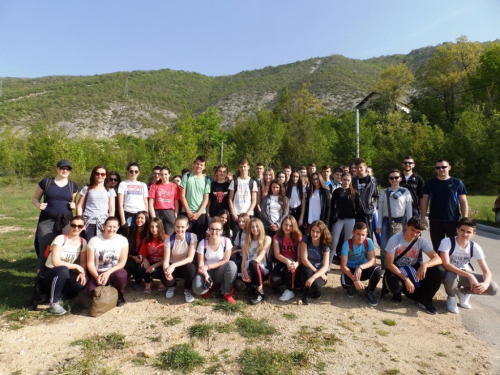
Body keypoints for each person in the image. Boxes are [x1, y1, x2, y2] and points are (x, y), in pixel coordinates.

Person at [384, 217, 444, 315]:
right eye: (412, 230)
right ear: (406, 226)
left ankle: (426, 299)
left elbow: (438, 258)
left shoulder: (421, 241)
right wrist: (406, 279)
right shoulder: (395, 239)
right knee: (396, 286)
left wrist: (425, 264)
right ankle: (397, 293)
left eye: (418, 232)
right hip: (397, 268)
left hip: (412, 268)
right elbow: (389, 264)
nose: (414, 234)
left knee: (440, 270)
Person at [439, 218, 498, 313]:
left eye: (469, 232)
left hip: (464, 273)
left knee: (493, 288)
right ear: (457, 230)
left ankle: (464, 292)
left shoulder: (475, 246)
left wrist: (485, 284)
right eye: (462, 230)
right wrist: (469, 275)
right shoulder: (447, 242)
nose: (465, 234)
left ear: (473, 234)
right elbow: (446, 264)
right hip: (449, 273)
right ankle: (451, 297)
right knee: (450, 276)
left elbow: (486, 271)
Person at [32, 159, 78, 271]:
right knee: (45, 250)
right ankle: (41, 280)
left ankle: (62, 276)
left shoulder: (73, 186)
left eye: (68, 169)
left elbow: (73, 201)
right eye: (62, 168)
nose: (65, 170)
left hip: (66, 222)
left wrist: (74, 205)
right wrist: (38, 205)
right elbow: (35, 198)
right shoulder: (46, 182)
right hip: (46, 221)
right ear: (57, 169)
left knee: (65, 250)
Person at [36, 215, 88, 315]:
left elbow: (83, 262)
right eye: (73, 225)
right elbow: (56, 262)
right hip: (49, 272)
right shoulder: (60, 239)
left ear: (84, 227)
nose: (76, 228)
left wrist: (82, 272)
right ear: (69, 225)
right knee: (62, 269)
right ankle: (53, 304)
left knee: (80, 282)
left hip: (64, 274)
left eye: (80, 226)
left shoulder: (83, 242)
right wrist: (77, 267)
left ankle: (60, 295)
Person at [420, 159, 468, 250]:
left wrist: (465, 218)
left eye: (444, 167)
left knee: (455, 247)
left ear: (449, 167)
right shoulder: (430, 183)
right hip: (435, 220)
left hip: (453, 220)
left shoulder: (457, 183)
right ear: (435, 169)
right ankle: (439, 264)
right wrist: (423, 217)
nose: (441, 169)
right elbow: (424, 201)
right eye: (438, 167)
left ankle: (452, 264)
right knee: (438, 248)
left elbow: (463, 201)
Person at [192, 217, 237, 303]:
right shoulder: (203, 243)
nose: (214, 231)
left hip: (220, 271)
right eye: (212, 229)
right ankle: (208, 286)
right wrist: (206, 276)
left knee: (232, 265)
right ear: (209, 230)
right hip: (206, 272)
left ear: (221, 231)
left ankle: (227, 293)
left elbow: (225, 260)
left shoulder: (226, 241)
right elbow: (201, 264)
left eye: (217, 229)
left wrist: (208, 266)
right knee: (197, 290)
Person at [87, 216, 129, 307]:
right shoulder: (94, 240)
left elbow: (122, 262)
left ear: (118, 227)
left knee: (121, 275)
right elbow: (90, 263)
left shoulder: (122, 240)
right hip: (99, 272)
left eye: (114, 227)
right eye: (109, 226)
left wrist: (108, 273)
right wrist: (96, 276)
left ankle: (119, 293)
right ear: (104, 226)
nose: (111, 229)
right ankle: (107, 290)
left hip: (114, 270)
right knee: (91, 293)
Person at [376, 169, 413, 269]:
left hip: (401, 221)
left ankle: (397, 266)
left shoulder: (405, 192)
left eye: (396, 177)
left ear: (400, 178)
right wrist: (378, 225)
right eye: (391, 178)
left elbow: (409, 209)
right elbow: (380, 210)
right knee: (384, 246)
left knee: (400, 246)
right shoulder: (385, 192)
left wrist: (410, 225)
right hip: (386, 221)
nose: (394, 180)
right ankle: (385, 267)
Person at [340, 222, 381, 306]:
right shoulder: (347, 244)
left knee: (377, 271)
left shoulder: (368, 242)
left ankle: (369, 291)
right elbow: (343, 266)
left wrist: (360, 267)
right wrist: (355, 279)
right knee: (346, 285)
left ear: (366, 234)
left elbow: (373, 260)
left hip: (362, 269)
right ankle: (352, 286)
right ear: (353, 233)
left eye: (363, 234)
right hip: (350, 270)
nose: (361, 237)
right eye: (358, 234)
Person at [163, 216, 198, 303]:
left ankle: (187, 289)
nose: (179, 229)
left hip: (184, 265)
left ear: (187, 227)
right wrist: (167, 272)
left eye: (182, 227)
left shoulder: (192, 237)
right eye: (177, 227)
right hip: (172, 265)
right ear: (174, 226)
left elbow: (190, 258)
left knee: (191, 268)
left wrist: (173, 265)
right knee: (166, 280)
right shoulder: (169, 240)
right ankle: (172, 286)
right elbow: (166, 261)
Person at [76, 165, 116, 242]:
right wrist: (79, 221)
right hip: (88, 222)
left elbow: (111, 209)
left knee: (101, 248)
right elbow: (79, 206)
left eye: (102, 174)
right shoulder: (87, 188)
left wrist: (109, 224)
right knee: (88, 245)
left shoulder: (110, 190)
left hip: (103, 223)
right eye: (97, 173)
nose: (100, 176)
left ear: (106, 176)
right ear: (94, 175)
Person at [330, 172, 359, 266]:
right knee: (334, 241)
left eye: (348, 180)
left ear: (351, 181)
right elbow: (332, 205)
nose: (346, 182)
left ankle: (346, 264)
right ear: (341, 180)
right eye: (344, 180)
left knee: (348, 241)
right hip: (339, 219)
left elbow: (358, 206)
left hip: (350, 219)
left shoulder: (354, 192)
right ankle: (328, 264)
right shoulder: (337, 191)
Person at [271, 215, 302, 302]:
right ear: (282, 225)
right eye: (286, 224)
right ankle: (288, 284)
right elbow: (277, 254)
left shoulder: (298, 238)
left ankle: (290, 289)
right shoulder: (277, 237)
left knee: (291, 264)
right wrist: (287, 261)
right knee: (274, 281)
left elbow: (300, 258)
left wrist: (296, 264)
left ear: (294, 227)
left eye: (291, 225)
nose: (288, 227)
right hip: (282, 262)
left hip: (294, 265)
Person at [179, 156, 211, 240]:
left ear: (204, 167)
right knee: (185, 237)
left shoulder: (207, 180)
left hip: (200, 214)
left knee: (199, 238)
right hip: (186, 212)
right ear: (194, 164)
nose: (199, 166)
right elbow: (182, 195)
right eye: (197, 164)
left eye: (201, 165)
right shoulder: (186, 177)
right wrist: (188, 211)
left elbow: (206, 198)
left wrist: (198, 213)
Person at [299, 220, 331, 305]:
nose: (314, 234)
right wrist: (315, 272)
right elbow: (304, 260)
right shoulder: (306, 239)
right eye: (313, 231)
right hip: (309, 267)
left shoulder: (325, 245)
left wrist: (314, 276)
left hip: (320, 271)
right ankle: (305, 295)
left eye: (318, 232)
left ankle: (316, 291)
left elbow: (325, 266)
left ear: (322, 233)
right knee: (306, 270)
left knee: (316, 285)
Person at [242, 218, 272, 305]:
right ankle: (253, 286)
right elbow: (244, 260)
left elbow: (261, 256)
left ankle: (260, 292)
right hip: (248, 271)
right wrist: (243, 272)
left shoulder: (267, 239)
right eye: (252, 227)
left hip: (261, 268)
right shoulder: (245, 242)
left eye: (257, 226)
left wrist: (245, 268)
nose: (255, 229)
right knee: (239, 285)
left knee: (253, 263)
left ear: (261, 227)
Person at [137, 217, 168, 293]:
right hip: (151, 262)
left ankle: (162, 281)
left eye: (157, 226)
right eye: (152, 226)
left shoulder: (167, 238)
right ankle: (148, 282)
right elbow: (143, 254)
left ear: (160, 227)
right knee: (140, 268)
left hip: (162, 264)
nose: (154, 229)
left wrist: (154, 266)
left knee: (160, 271)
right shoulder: (146, 239)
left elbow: (168, 258)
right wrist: (145, 260)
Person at [351, 158, 379, 240]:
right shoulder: (353, 181)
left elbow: (377, 196)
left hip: (367, 211)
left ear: (365, 167)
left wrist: (372, 206)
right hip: (356, 212)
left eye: (360, 167)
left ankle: (369, 252)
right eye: (357, 168)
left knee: (368, 234)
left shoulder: (372, 180)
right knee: (356, 234)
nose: (359, 170)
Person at [117, 162, 148, 232]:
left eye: (136, 171)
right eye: (131, 171)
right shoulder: (123, 184)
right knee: (129, 235)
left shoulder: (143, 185)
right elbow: (120, 204)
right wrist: (123, 221)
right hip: (129, 212)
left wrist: (147, 216)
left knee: (141, 235)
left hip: (141, 213)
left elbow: (146, 202)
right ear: (128, 172)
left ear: (138, 173)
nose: (133, 173)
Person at [148, 166, 179, 236]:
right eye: (161, 174)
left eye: (166, 174)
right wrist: (153, 217)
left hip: (169, 212)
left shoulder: (174, 186)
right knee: (157, 234)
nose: (164, 176)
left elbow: (176, 202)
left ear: (169, 174)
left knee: (169, 235)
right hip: (158, 212)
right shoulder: (154, 186)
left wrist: (175, 215)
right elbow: (150, 204)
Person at [228, 158, 258, 227]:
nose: (243, 168)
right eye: (241, 167)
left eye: (244, 166)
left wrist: (247, 214)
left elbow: (254, 200)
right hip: (236, 213)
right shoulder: (234, 181)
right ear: (238, 168)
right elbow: (230, 199)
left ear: (248, 167)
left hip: (248, 214)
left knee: (248, 235)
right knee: (236, 235)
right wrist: (233, 213)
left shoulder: (253, 182)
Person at [125, 211, 149, 290]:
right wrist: (132, 256)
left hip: (145, 256)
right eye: (138, 218)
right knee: (129, 264)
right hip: (132, 255)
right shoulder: (130, 230)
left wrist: (143, 258)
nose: (139, 220)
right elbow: (126, 246)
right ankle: (136, 280)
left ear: (146, 220)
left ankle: (144, 280)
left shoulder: (148, 232)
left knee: (140, 266)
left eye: (142, 218)